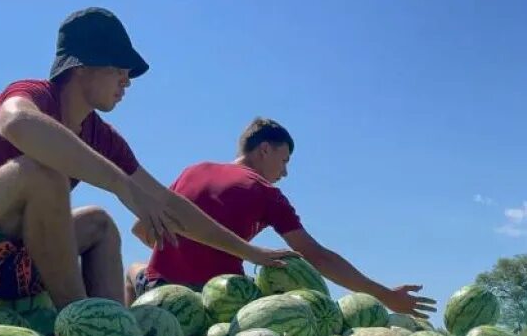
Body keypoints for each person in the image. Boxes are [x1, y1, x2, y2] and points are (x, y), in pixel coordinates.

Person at [0, 8, 291, 310]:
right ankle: (81, 321)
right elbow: (15, 123)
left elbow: (169, 205)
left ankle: (109, 333)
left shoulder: (102, 137)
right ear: (82, 66)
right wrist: (120, 184)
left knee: (100, 224)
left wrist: (250, 252)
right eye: (119, 69)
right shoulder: (34, 95)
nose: (127, 81)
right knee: (41, 172)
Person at [124, 117, 436, 318]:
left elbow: (141, 229)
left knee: (133, 268)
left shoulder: (194, 170)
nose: (284, 172)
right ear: (264, 151)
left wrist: (182, 252)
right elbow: (316, 256)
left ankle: (127, 328)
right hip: (217, 306)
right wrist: (385, 295)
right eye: (284, 160)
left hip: (160, 294)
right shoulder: (265, 192)